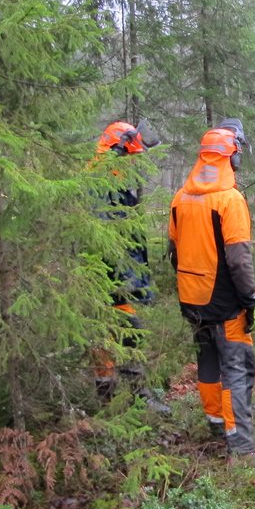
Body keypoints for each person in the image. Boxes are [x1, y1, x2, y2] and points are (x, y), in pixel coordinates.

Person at [167, 118, 255, 470]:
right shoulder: (230, 201)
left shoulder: (180, 198)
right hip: (226, 303)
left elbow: (173, 252)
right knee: (237, 370)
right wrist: (251, 300)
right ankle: (242, 449)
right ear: (232, 158)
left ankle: (216, 423)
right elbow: (239, 261)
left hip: (191, 299)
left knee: (208, 362)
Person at [91, 120, 169, 414]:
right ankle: (112, 402)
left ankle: (134, 398)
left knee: (128, 336)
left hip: (118, 286)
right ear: (117, 152)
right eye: (130, 157)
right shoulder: (98, 188)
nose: (133, 165)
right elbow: (106, 243)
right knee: (108, 341)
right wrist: (124, 282)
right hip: (106, 285)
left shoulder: (115, 186)